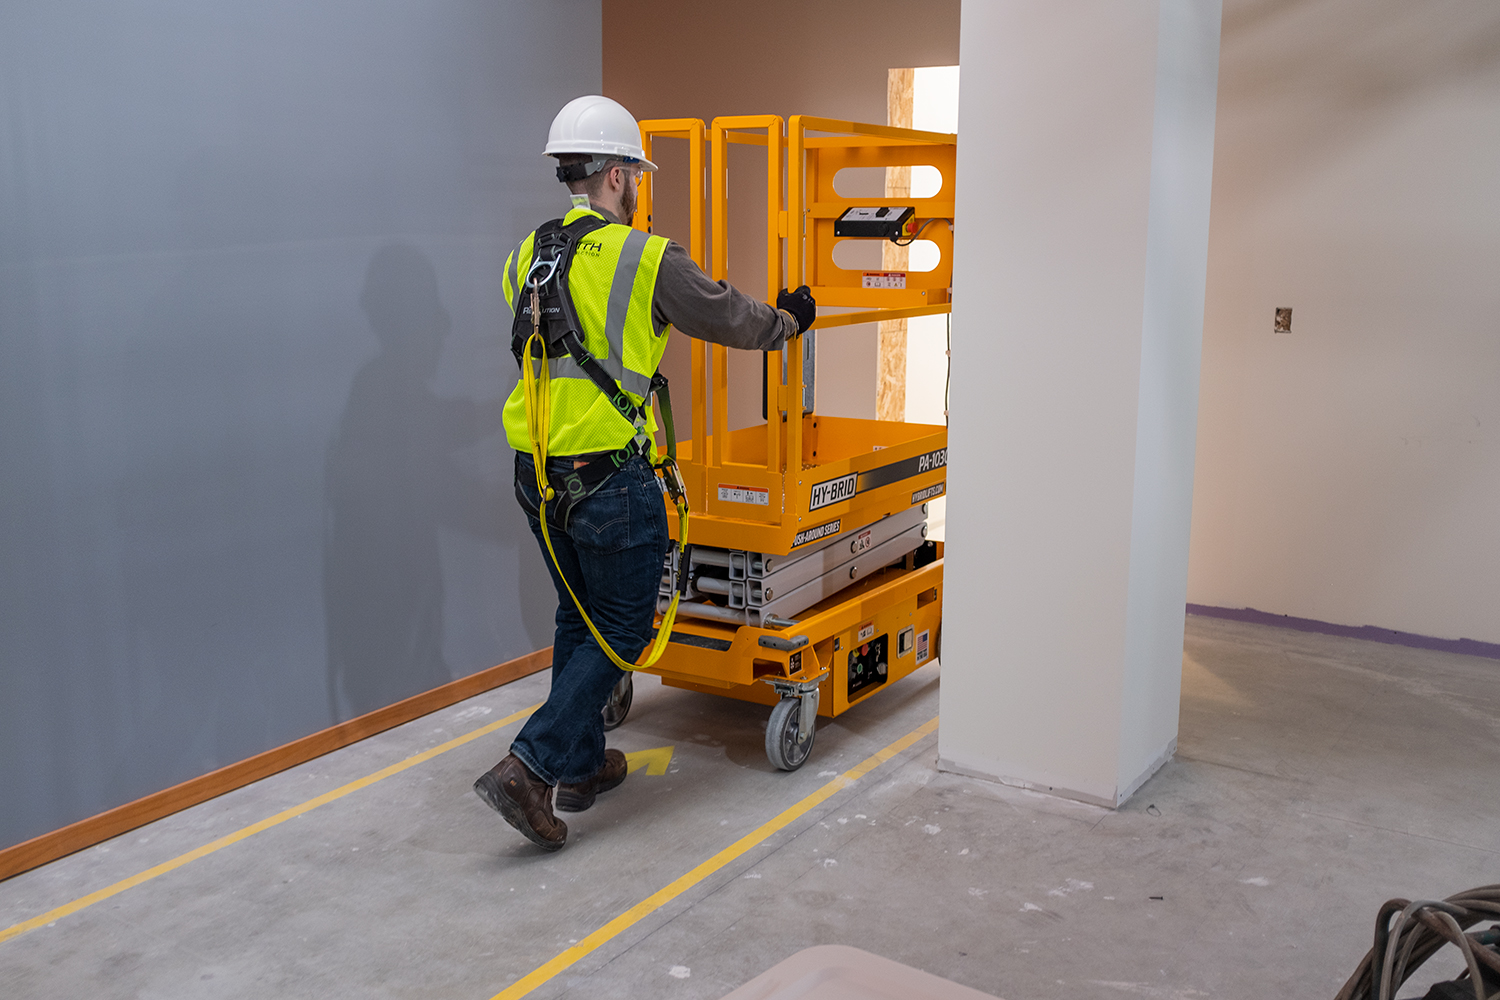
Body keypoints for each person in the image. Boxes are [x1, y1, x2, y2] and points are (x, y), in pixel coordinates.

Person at [473, 95, 816, 851]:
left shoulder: (524, 254)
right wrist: (788, 319)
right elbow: (728, 316)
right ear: (621, 176)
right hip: (607, 475)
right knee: (623, 628)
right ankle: (531, 766)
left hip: (537, 472)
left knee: (578, 616)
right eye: (636, 173)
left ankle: (580, 767)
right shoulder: (643, 255)